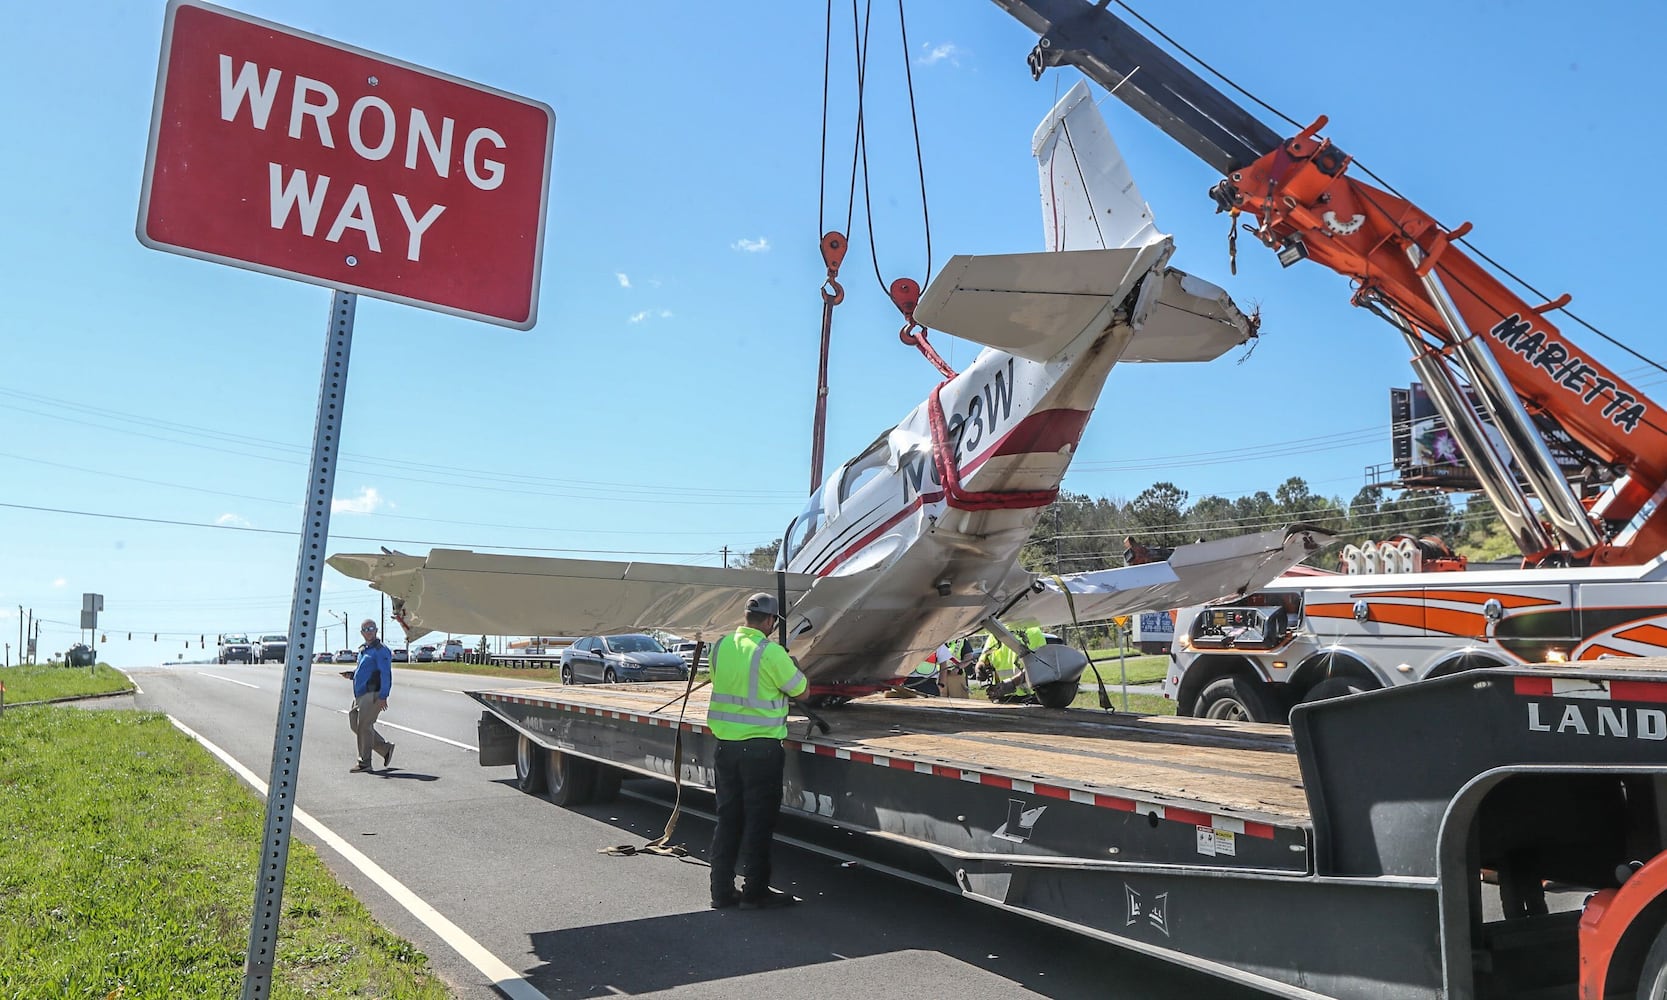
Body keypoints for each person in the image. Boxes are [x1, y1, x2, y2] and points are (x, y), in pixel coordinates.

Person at [706, 592, 808, 910]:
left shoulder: (721, 646)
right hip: (761, 750)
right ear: (768, 621)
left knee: (728, 819)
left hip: (726, 747)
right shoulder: (770, 652)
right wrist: (791, 666)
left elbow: (718, 679)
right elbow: (802, 689)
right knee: (758, 822)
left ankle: (721, 892)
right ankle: (755, 891)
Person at [348, 619, 394, 773]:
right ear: (362, 633)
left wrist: (383, 696)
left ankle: (364, 763)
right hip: (360, 694)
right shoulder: (363, 650)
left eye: (371, 628)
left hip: (373, 693)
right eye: (365, 629)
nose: (369, 631)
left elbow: (386, 674)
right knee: (355, 723)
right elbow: (363, 670)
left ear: (376, 630)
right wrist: (352, 675)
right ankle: (384, 748)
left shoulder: (381, 650)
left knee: (364, 726)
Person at [980, 623, 1046, 703]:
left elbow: (1037, 666)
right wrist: (980, 666)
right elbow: (984, 660)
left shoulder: (1033, 632)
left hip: (1028, 698)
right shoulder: (994, 634)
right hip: (1002, 697)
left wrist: (1011, 683)